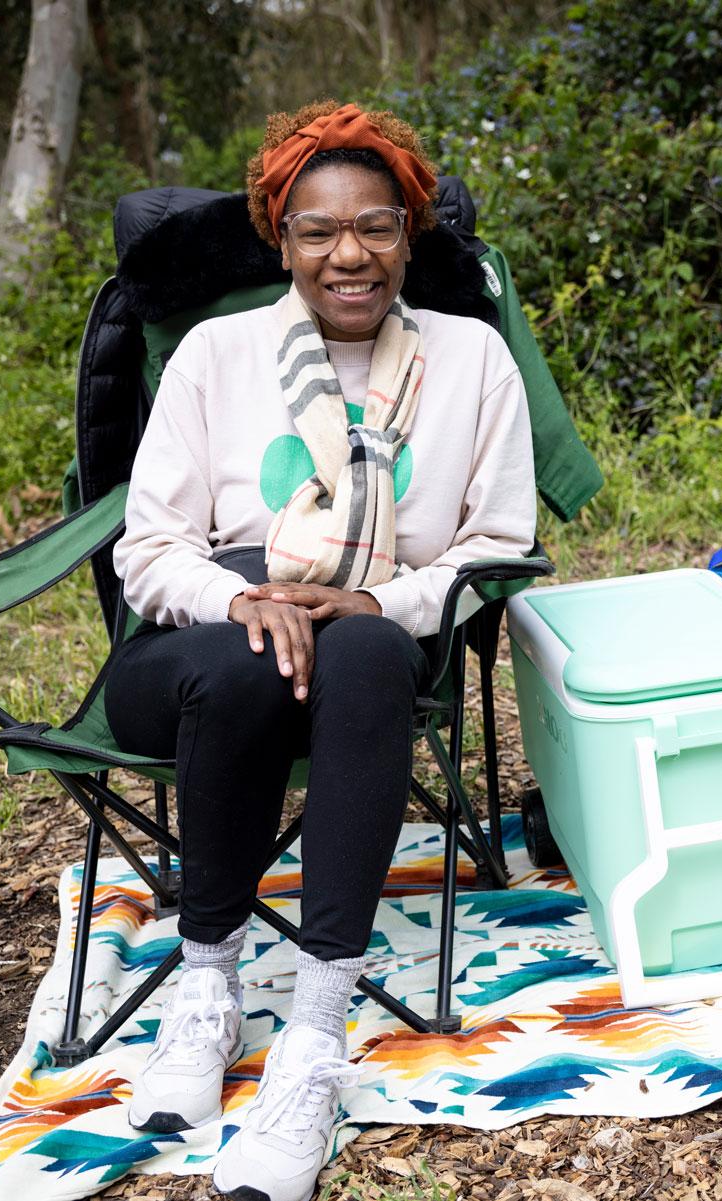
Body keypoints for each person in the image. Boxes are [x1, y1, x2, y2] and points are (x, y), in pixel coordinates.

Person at [104, 100, 535, 1201]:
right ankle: (205, 994)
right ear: (280, 240)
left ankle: (310, 1038)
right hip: (199, 649)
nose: (350, 253)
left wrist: (383, 599)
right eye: (318, 231)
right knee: (251, 656)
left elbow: (500, 542)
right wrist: (248, 598)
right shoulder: (216, 353)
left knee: (370, 650)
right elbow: (149, 550)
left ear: (410, 236)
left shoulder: (473, 359)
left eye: (377, 226)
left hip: (373, 653)